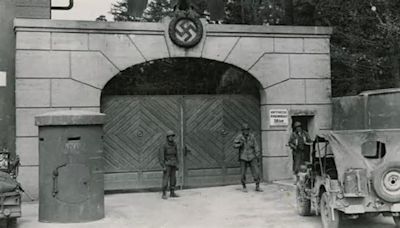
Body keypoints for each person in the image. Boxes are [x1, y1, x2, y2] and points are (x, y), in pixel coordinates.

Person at [234, 123, 262, 192]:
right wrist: (240, 144)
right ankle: (244, 186)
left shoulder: (252, 137)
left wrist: (257, 154)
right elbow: (234, 145)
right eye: (244, 130)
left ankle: (257, 186)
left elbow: (256, 145)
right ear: (242, 130)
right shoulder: (239, 137)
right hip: (243, 157)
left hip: (252, 156)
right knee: (243, 173)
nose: (246, 131)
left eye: (247, 130)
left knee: (256, 172)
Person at [159, 130, 179, 199]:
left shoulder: (175, 144)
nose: (171, 138)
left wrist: (177, 164)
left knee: (173, 179)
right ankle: (164, 193)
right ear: (167, 137)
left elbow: (176, 155)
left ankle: (172, 193)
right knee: (165, 179)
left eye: (172, 136)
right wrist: (163, 166)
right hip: (167, 165)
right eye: (170, 136)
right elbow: (161, 156)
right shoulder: (164, 145)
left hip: (173, 164)